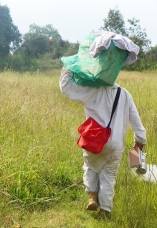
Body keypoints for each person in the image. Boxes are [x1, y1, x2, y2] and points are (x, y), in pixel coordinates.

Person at [60, 67, 146, 216]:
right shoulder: (124, 94)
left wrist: (69, 67)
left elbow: (67, 87)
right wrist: (139, 141)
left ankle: (92, 196)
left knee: (90, 166)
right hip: (116, 143)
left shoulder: (92, 90)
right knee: (109, 175)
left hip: (94, 139)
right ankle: (105, 211)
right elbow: (137, 123)